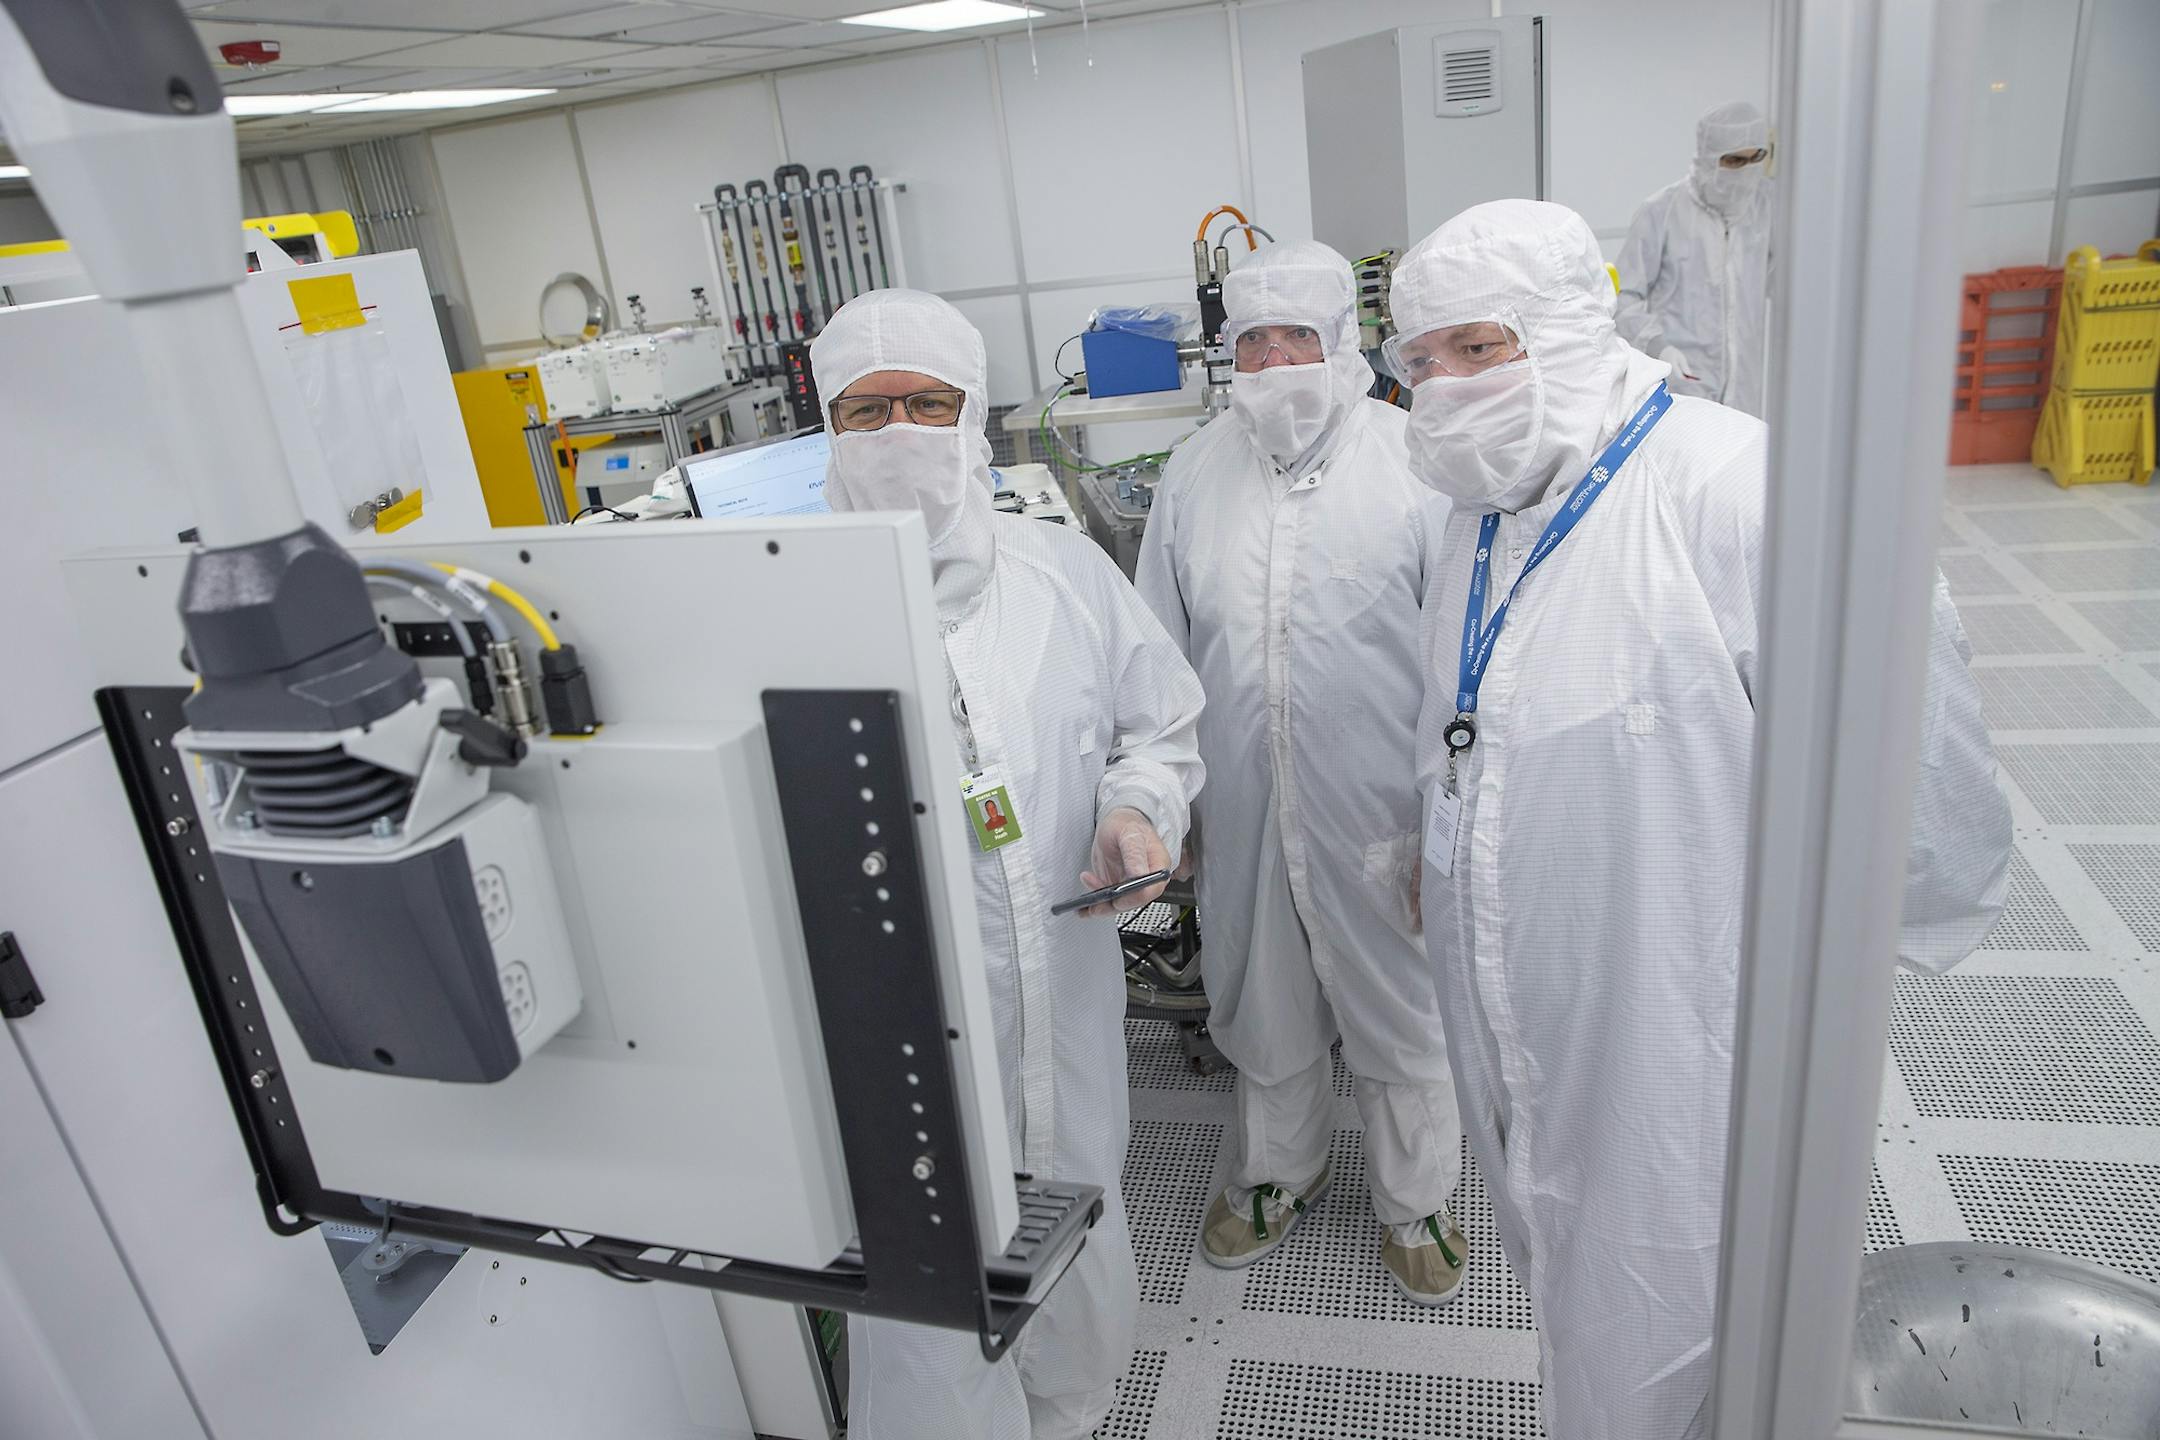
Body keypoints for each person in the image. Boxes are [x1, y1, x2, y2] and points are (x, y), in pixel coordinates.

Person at [1385, 199, 2011, 1439]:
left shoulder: (1739, 487)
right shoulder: (1477, 509)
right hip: (1520, 1005)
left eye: (1477, 347)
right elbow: (1472, 717)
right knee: (1569, 1270)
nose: (1442, 388)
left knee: (1671, 1314)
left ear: (1567, 330)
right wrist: (1439, 849)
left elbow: (1920, 772)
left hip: (1682, 1030)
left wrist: (1842, 966)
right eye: (1418, 361)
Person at [809, 289, 1207, 1440]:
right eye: (865, 410)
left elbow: (1161, 724)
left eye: (928, 404)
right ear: (824, 425)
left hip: (1063, 1001)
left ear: (976, 416)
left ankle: (1074, 1410)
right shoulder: (786, 602)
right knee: (919, 1270)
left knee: (1075, 1203)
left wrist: (1139, 812)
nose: (898, 434)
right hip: (885, 1031)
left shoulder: (1059, 573)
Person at [1134, 241, 1468, 1305]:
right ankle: (1283, 1172)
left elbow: (1467, 657)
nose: (1275, 363)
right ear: (1228, 354)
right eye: (1253, 343)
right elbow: (1157, 647)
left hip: (1385, 804)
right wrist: (1168, 798)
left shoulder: (1421, 462)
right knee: (1261, 988)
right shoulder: (1196, 470)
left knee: (1403, 1006)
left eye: (1298, 340)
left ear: (1346, 347)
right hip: (1240, 794)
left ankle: (1414, 1198)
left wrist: (1448, 822)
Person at [1615, 99, 1775, 416]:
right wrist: (1658, 345)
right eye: (1733, 161)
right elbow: (1622, 295)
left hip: (1746, 389)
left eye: (1754, 159)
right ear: (1707, 158)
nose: (1745, 172)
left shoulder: (1767, 207)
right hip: (1681, 384)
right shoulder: (1662, 211)